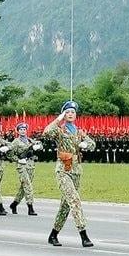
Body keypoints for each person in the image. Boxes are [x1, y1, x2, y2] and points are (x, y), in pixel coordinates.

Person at [38, 101, 95, 247]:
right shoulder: (60, 130)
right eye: (67, 112)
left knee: (66, 206)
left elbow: (93, 144)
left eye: (72, 112)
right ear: (64, 114)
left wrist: (85, 144)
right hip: (63, 169)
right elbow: (46, 132)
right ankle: (84, 235)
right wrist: (58, 119)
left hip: (76, 170)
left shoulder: (79, 131)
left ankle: (53, 235)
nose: (70, 114)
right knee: (75, 200)